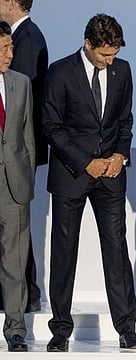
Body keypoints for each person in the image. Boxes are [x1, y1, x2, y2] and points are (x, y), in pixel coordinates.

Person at [42, 14, 136, 352]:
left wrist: (120, 156)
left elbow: (125, 120)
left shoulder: (123, 71)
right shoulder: (59, 71)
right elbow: (51, 126)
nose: (109, 60)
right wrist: (87, 162)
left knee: (116, 250)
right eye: (104, 55)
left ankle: (127, 329)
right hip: (71, 175)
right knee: (64, 253)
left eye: (113, 54)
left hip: (111, 177)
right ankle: (60, 330)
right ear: (88, 44)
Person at [0, 0, 48, 314]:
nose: (9, 53)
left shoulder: (27, 38)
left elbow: (23, 116)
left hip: (14, 167)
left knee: (16, 246)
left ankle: (24, 299)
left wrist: (25, 172)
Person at [0, 20, 35, 352]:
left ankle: (16, 330)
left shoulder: (21, 83)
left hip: (14, 188)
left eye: (10, 47)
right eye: (3, 49)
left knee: (15, 262)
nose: (10, 54)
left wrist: (27, 181)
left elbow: (28, 138)